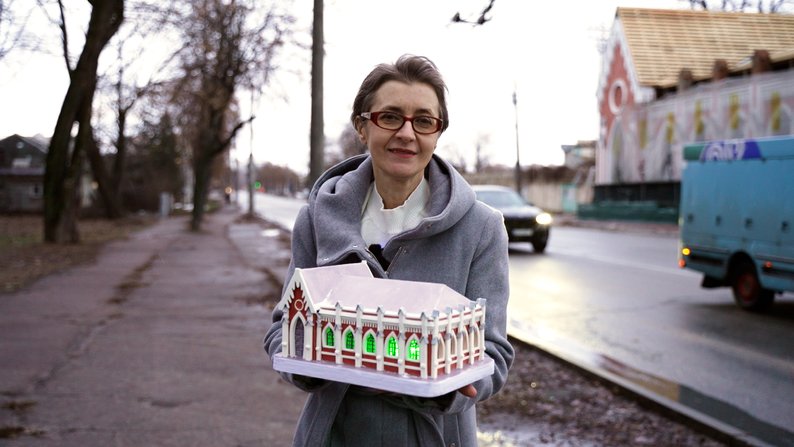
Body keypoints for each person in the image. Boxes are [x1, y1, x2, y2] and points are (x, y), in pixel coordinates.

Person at [264, 54, 514, 447]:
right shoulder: (316, 219)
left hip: (432, 435)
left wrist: (447, 389)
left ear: (437, 132)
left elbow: (493, 352)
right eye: (391, 116)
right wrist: (312, 364)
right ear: (362, 127)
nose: (407, 133)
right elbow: (283, 326)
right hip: (335, 433)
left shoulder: (480, 228)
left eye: (424, 121)